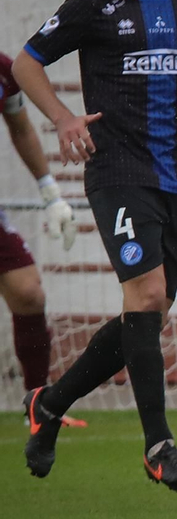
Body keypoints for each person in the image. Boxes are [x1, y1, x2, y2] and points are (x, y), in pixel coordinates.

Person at [13, 0, 177, 489]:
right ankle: (159, 447)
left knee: (144, 313)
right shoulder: (95, 6)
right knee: (147, 296)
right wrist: (63, 118)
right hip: (116, 173)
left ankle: (48, 405)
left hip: (174, 177)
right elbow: (26, 63)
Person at [0, 53, 72, 401]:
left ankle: (37, 405)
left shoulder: (4, 68)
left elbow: (20, 126)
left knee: (29, 292)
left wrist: (50, 191)